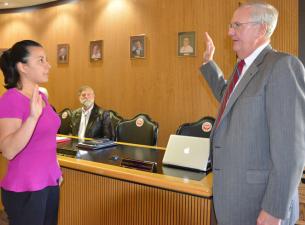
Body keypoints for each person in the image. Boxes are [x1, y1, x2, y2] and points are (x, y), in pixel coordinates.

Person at [200, 2, 305, 225]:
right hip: (233, 200)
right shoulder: (243, 67)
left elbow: (291, 149)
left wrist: (274, 210)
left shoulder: (282, 66)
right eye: (231, 25)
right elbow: (227, 99)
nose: (229, 32)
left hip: (260, 205)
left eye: (237, 25)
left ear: (262, 29)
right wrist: (208, 63)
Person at [0, 40, 62, 225]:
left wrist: (55, 167)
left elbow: (46, 139)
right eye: (41, 60)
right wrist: (32, 118)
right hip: (25, 189)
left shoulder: (41, 96)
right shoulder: (10, 100)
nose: (48, 65)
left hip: (49, 182)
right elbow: (8, 150)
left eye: (47, 60)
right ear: (23, 67)